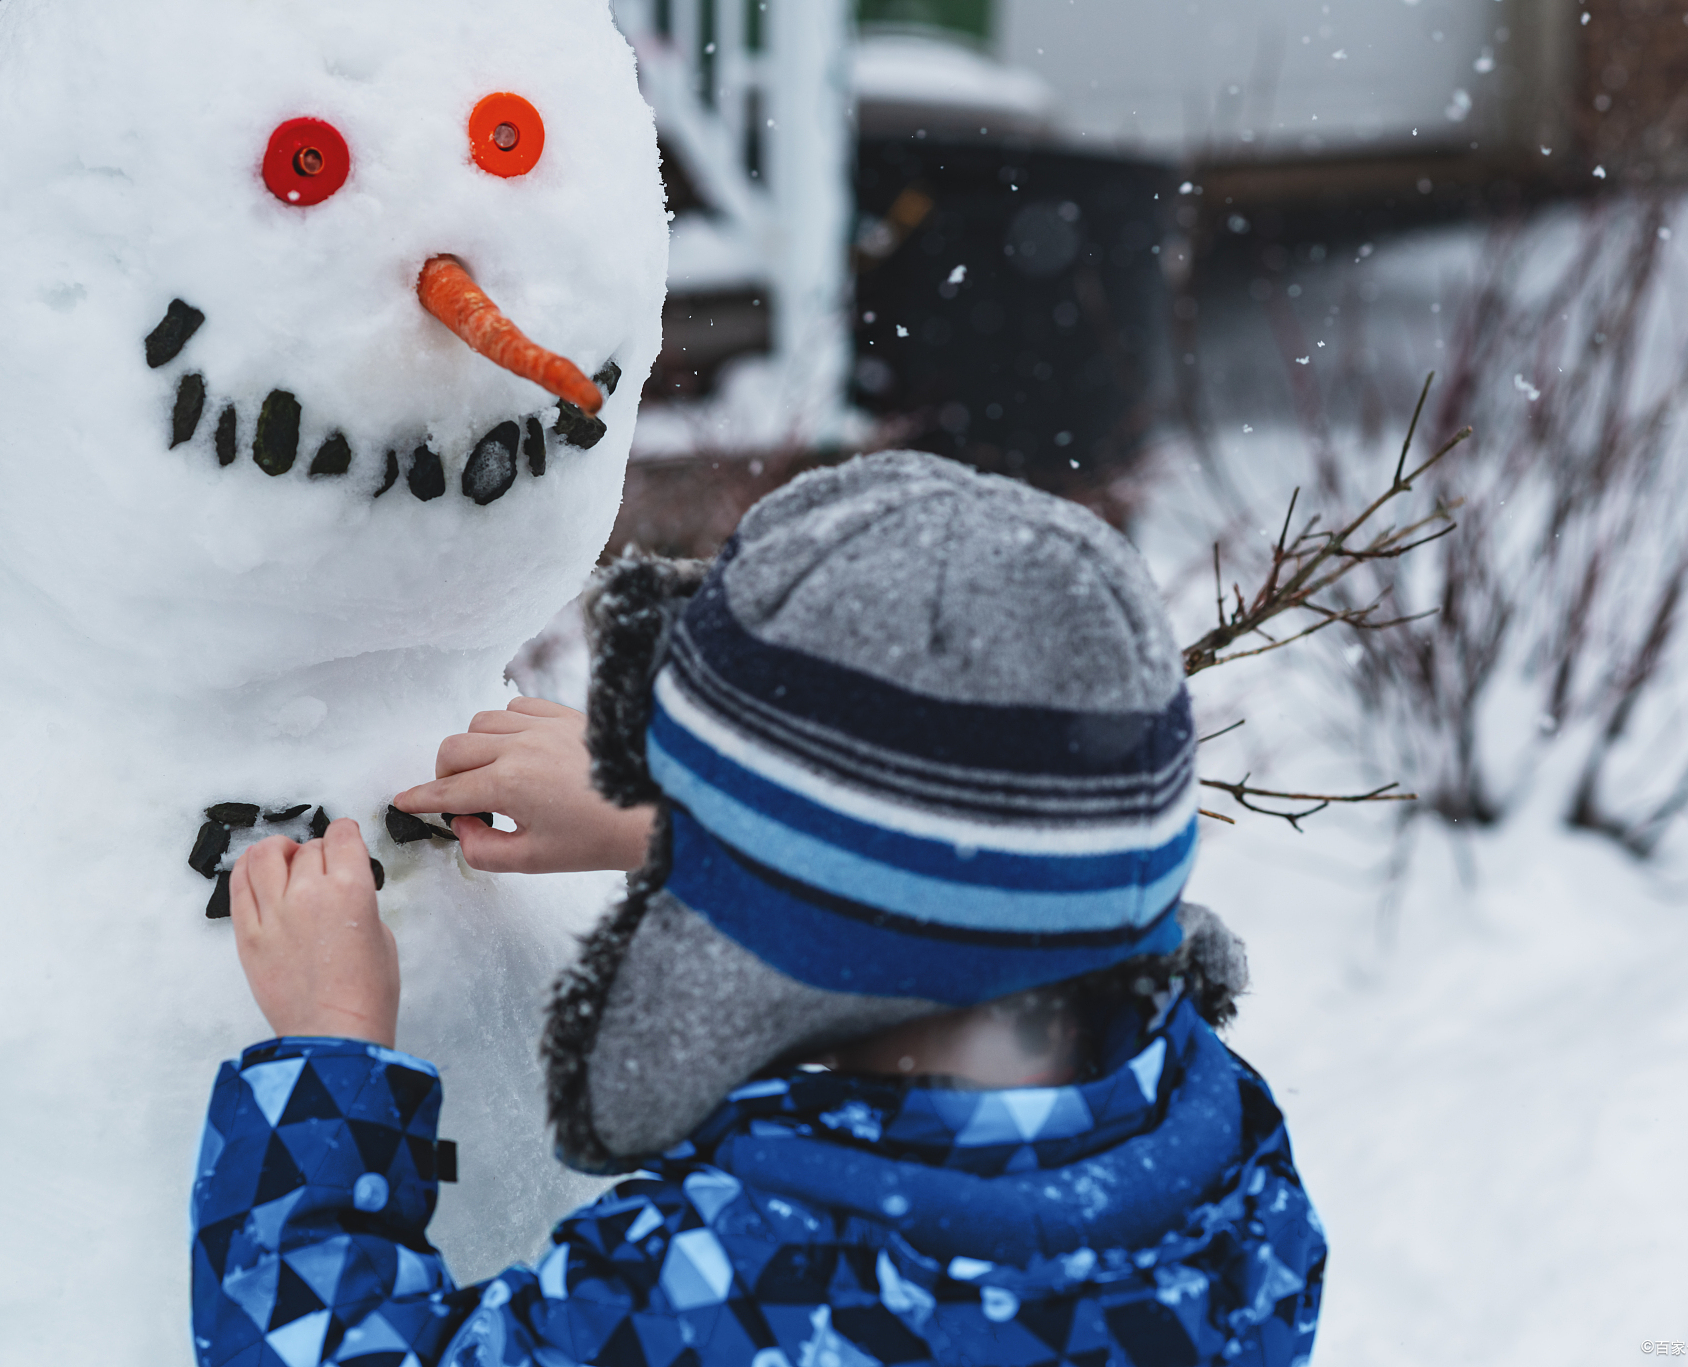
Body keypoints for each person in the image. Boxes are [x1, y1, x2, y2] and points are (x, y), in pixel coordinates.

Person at [190, 452, 1327, 1367]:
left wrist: (329, 1049)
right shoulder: (1220, 1158)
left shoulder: (740, 1282)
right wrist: (679, 834)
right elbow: (995, 905)